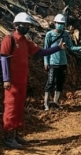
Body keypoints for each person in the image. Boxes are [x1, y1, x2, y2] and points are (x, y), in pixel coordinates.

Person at [0, 12, 66, 149]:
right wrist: (6, 79)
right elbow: (4, 59)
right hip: (11, 83)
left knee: (18, 108)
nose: (26, 27)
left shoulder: (25, 42)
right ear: (16, 25)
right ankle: (8, 138)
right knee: (11, 108)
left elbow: (40, 53)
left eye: (28, 25)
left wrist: (57, 48)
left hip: (22, 82)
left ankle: (15, 135)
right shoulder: (9, 40)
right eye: (24, 24)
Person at [43, 14, 81, 111]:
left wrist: (80, 48)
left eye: (62, 24)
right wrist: (46, 62)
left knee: (59, 83)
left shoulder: (65, 34)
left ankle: (56, 102)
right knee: (50, 82)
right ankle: (46, 103)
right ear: (55, 23)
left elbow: (71, 47)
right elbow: (46, 49)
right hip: (53, 62)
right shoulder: (49, 35)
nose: (60, 25)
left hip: (63, 62)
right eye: (59, 23)